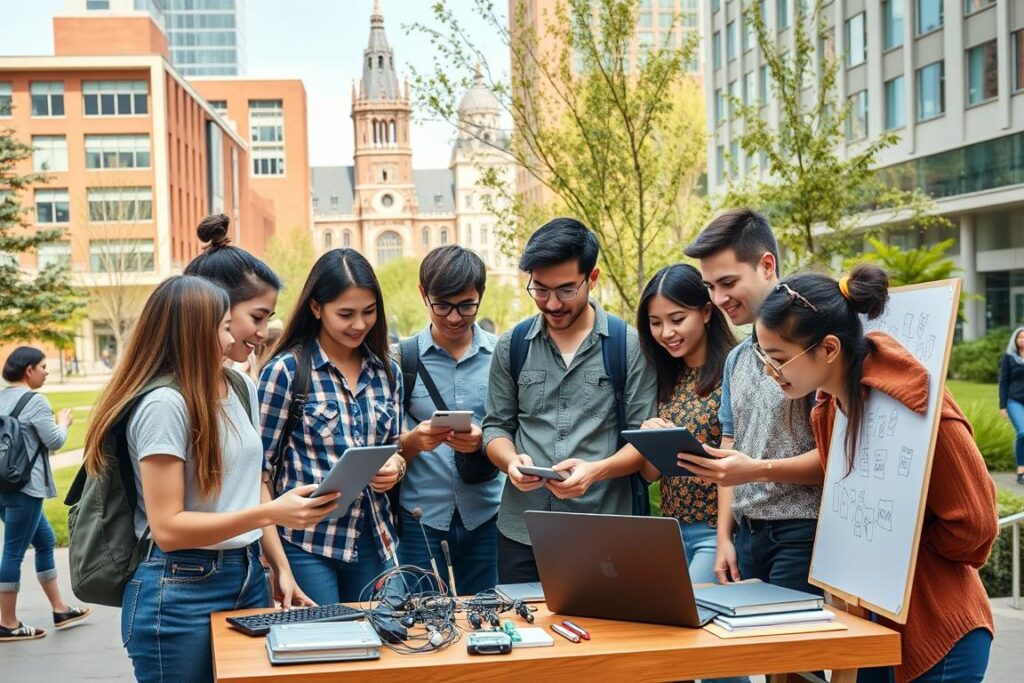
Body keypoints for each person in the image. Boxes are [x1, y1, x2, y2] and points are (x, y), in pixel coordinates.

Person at [83, 276, 338, 682]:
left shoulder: (239, 386)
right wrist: (272, 511)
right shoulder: (164, 405)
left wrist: (279, 566)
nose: (234, 335)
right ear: (193, 333)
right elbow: (168, 528)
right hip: (179, 588)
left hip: (248, 576)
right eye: (223, 326)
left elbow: (250, 483)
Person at [754, 264, 998, 683]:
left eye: (778, 359)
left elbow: (976, 525)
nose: (769, 372)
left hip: (938, 628)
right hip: (872, 622)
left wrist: (901, 549)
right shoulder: (828, 409)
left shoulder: (919, 410)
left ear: (828, 349)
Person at [482, 217, 657, 583]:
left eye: (565, 290)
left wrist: (597, 471)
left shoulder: (627, 346)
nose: (551, 303)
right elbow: (496, 427)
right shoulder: (511, 346)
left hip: (603, 528)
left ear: (591, 280)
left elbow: (645, 440)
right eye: (540, 290)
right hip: (521, 530)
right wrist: (511, 462)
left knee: (605, 637)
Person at [679, 209, 824, 596]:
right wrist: (724, 536)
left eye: (727, 282)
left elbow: (837, 458)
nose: (719, 298)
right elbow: (731, 451)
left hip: (802, 533)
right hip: (746, 537)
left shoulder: (816, 348)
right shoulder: (737, 358)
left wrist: (756, 469)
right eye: (710, 286)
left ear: (766, 265)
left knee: (795, 658)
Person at [259, 248, 406, 604]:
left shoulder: (388, 371)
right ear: (315, 308)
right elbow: (258, 473)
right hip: (306, 544)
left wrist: (395, 468)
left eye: (368, 312)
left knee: (386, 645)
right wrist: (278, 564)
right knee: (324, 649)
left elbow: (396, 447)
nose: (359, 324)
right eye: (346, 314)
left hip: (374, 538)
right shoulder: (286, 373)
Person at [635, 265, 747, 683]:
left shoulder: (733, 373)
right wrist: (649, 436)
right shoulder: (669, 377)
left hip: (713, 532)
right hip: (670, 533)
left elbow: (736, 463)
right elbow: (650, 474)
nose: (666, 332)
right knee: (674, 651)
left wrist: (723, 539)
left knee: (708, 650)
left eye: (677, 319)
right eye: (656, 322)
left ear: (705, 311)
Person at [395, 246, 501, 596]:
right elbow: (383, 443)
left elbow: (514, 429)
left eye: (466, 305)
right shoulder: (402, 359)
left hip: (487, 514)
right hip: (420, 517)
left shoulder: (502, 356)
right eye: (442, 305)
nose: (454, 317)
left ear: (480, 297)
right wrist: (413, 441)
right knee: (423, 624)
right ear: (423, 294)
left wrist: (483, 440)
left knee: (488, 617)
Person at [0, 347, 91, 641]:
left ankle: (60, 609)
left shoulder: (0, 397)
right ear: (29, 371)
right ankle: (8, 623)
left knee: (45, 540)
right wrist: (62, 423)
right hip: (25, 487)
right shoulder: (36, 401)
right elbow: (54, 442)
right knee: (13, 550)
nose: (47, 371)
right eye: (43, 366)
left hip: (3, 485)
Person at [999, 327, 1024, 485]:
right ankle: (1021, 468)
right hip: (1014, 400)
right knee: (1023, 432)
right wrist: (1003, 405)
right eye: (1020, 337)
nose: (1022, 339)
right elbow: (1004, 381)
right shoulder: (1009, 358)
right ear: (1015, 340)